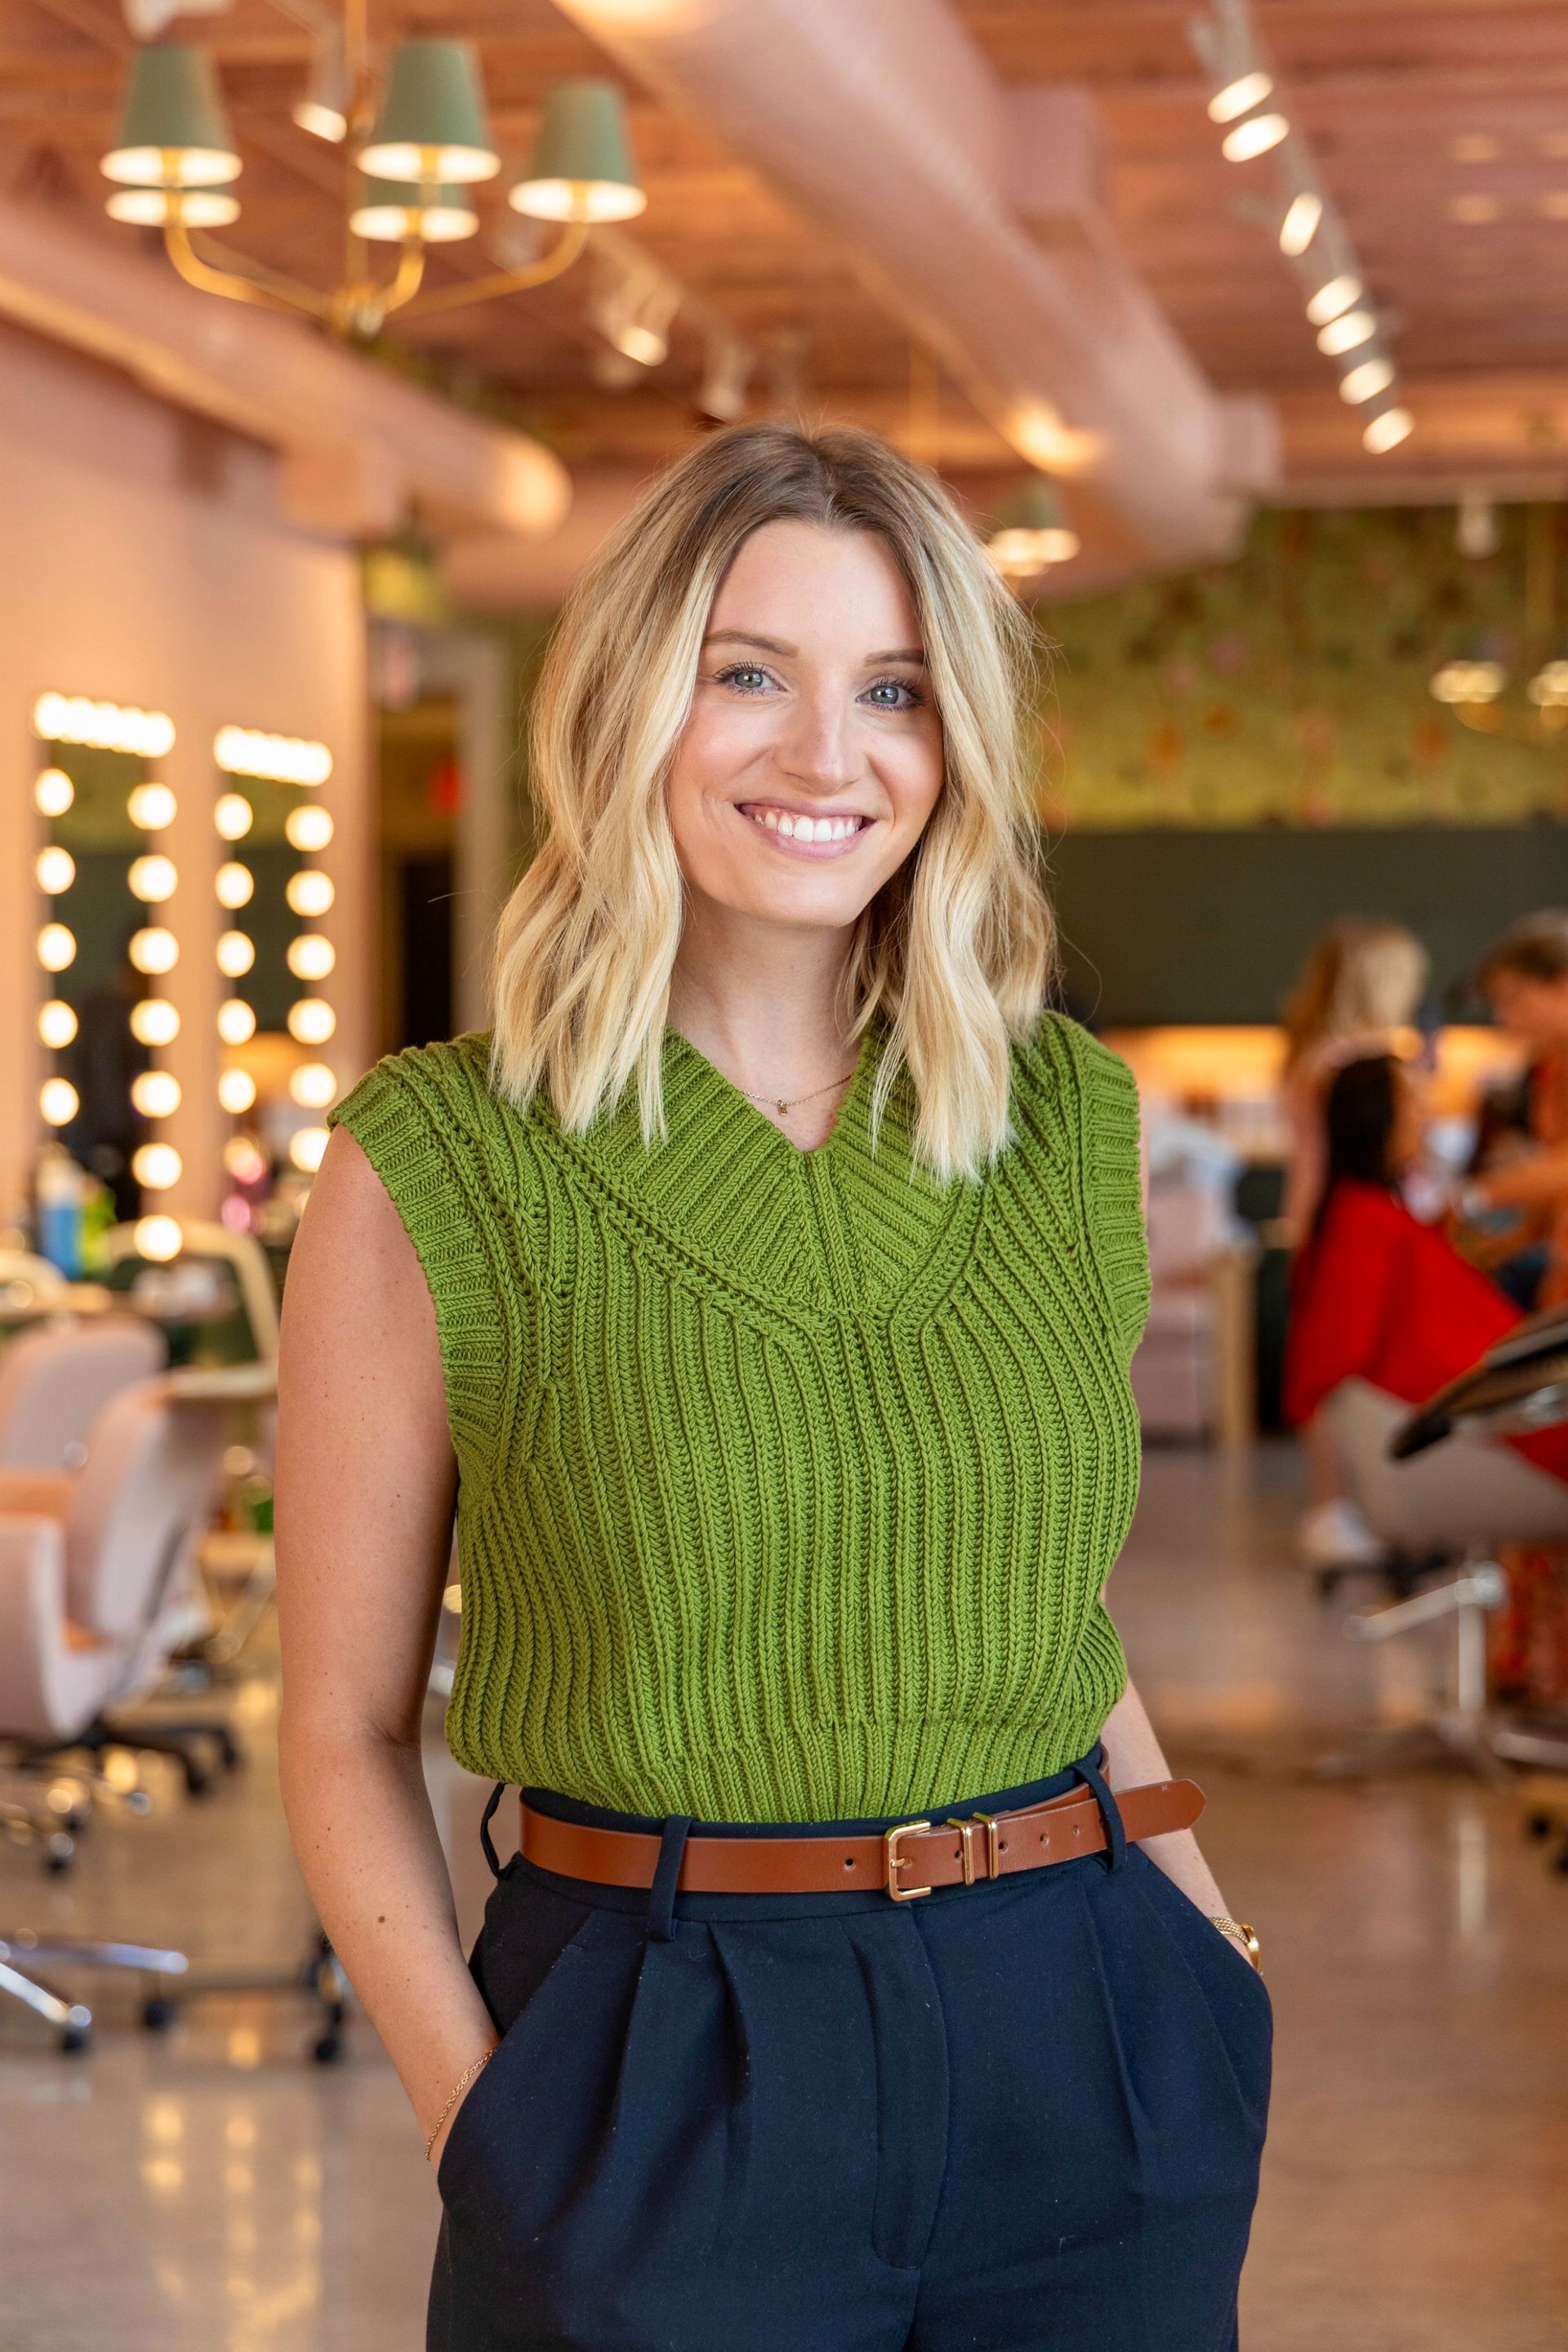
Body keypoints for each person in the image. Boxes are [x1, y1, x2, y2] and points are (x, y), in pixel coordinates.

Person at [274, 423, 1268, 2352]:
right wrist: (493, 2129)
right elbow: (338, 1727)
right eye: (750, 672)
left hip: (1083, 2010)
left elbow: (1055, 1610)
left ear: (954, 741)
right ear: (633, 698)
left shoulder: (1059, 1119)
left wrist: (1206, 1953)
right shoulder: (443, 1162)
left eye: (892, 688)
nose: (827, 756)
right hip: (655, 2035)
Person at [1284, 1053, 1568, 1492]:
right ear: (1377, 1119)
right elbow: (1336, 1362)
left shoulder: (1371, 1217)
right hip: (1488, 1416)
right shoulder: (1367, 1224)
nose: (1429, 1117)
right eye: (1415, 1103)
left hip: (1498, 1402)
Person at [1278, 919, 1429, 1569]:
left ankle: (1334, 1507)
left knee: (1325, 1366)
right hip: (1352, 1230)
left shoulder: (1310, 1057)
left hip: (1313, 1221)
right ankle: (1345, 1507)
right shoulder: (1366, 1066)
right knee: (1347, 1368)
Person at [1467, 912, 1568, 1309]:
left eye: (1514, 998)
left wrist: (1475, 1196)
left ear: (1562, 983)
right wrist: (1515, 1239)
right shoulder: (1549, 1067)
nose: (1503, 1018)